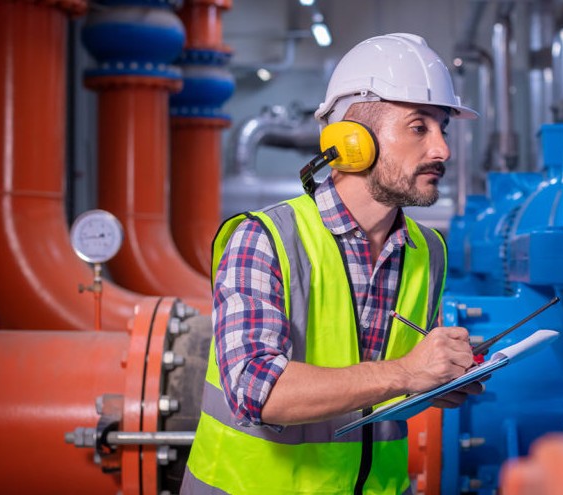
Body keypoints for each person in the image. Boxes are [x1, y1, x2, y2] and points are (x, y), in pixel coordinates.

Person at [182, 33, 482, 495]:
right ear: (352, 141)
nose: (442, 150)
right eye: (419, 127)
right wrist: (407, 372)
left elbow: (385, 384)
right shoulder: (265, 240)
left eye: (444, 128)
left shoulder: (429, 252)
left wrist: (436, 380)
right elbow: (257, 390)